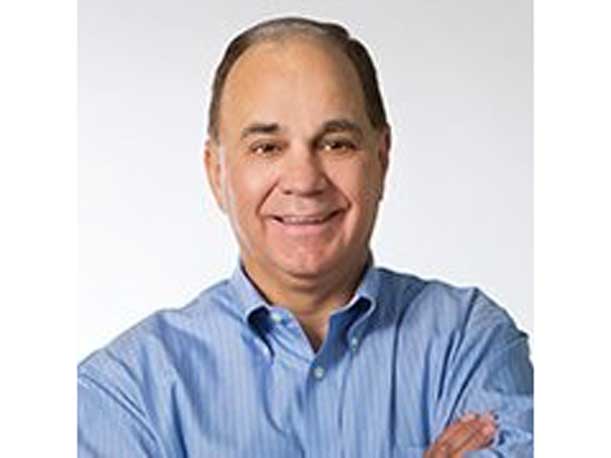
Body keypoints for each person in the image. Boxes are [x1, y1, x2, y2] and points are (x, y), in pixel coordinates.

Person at [78, 16, 533, 457]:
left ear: (381, 159)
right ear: (217, 173)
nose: (304, 180)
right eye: (267, 147)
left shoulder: (469, 342)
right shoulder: (127, 391)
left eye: (336, 143)